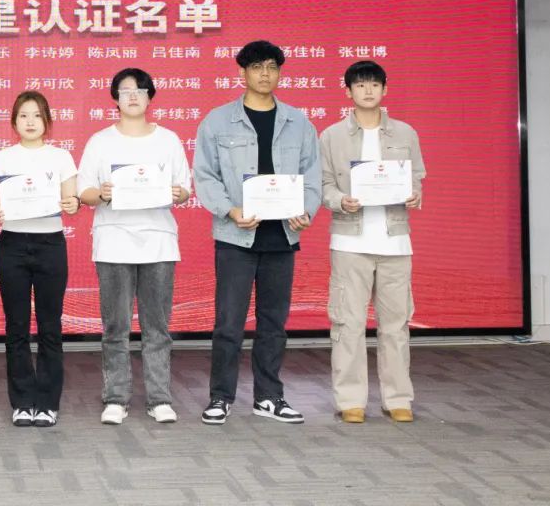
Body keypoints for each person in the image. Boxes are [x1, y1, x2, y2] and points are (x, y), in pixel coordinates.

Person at [193, 40, 320, 426]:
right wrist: (230, 210)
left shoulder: (298, 122)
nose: (265, 74)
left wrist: (306, 209)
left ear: (279, 73)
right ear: (242, 73)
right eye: (257, 67)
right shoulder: (217, 122)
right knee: (229, 323)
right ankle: (221, 397)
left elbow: (312, 175)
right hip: (236, 236)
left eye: (272, 67)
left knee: (273, 324)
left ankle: (269, 396)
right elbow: (205, 176)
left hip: (282, 236)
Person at [77, 68, 192, 425]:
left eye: (140, 90)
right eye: (125, 90)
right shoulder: (100, 141)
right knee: (116, 327)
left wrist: (178, 192)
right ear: (115, 98)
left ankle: (160, 399)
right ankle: (116, 397)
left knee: (158, 327)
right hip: (113, 242)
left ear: (150, 97)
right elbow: (84, 192)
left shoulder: (168, 140)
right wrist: (102, 193)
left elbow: (184, 189)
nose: (132, 96)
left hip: (158, 242)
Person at [319, 60, 425, 424]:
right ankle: (350, 399)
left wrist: (414, 194)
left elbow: (416, 177)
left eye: (374, 85)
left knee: (396, 325)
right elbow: (323, 184)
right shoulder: (331, 136)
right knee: (347, 324)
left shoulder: (405, 133)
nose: (368, 91)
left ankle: (398, 398)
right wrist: (340, 200)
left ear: (384, 90)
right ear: (347, 91)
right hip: (350, 242)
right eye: (360, 85)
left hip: (396, 242)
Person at [0, 91, 79, 428]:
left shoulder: (61, 157)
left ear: (47, 121)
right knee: (17, 326)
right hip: (12, 244)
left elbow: (72, 200)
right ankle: (23, 401)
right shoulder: (2, 158)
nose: (30, 122)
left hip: (50, 244)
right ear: (14, 121)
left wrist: (72, 204)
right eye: (23, 115)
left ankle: (48, 402)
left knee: (50, 326)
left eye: (37, 115)